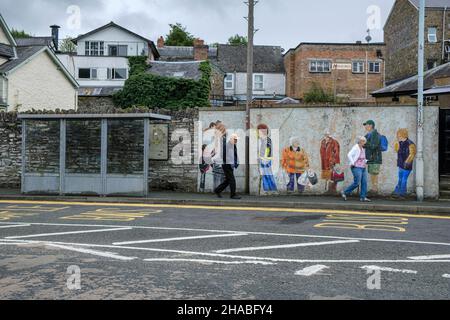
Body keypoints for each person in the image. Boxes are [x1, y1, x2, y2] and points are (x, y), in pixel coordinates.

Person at [342, 136, 371, 202]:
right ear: (360, 141)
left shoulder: (362, 149)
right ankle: (344, 192)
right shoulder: (356, 147)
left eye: (364, 141)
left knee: (364, 182)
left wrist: (366, 161)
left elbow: (362, 158)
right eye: (363, 141)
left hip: (363, 168)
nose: (364, 143)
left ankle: (363, 197)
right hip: (356, 167)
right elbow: (349, 154)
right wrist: (352, 162)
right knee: (357, 183)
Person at [213, 133, 241, 200]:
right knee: (232, 180)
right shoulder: (227, 146)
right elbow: (223, 155)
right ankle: (233, 195)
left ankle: (217, 190)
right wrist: (229, 162)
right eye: (235, 139)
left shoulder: (233, 145)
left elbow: (234, 155)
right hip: (227, 165)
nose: (236, 141)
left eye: (236, 140)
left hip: (229, 165)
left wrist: (235, 162)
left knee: (228, 180)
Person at [393, 129, 417, 199]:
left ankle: (402, 194)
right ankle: (397, 193)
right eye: (398, 135)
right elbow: (396, 150)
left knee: (404, 179)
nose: (398, 137)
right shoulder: (399, 143)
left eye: (399, 135)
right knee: (400, 179)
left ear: (403, 135)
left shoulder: (410, 144)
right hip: (400, 164)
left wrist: (407, 162)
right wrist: (396, 144)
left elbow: (412, 154)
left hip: (407, 165)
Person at [257, 124, 278, 194]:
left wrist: (264, 159)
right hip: (262, 160)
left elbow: (269, 151)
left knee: (268, 175)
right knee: (264, 176)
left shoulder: (267, 140)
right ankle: (266, 190)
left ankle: (272, 190)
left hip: (266, 160)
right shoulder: (260, 140)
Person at [364, 120, 383, 194]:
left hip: (375, 158)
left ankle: (374, 189)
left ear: (371, 125)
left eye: (366, 125)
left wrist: (365, 143)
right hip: (371, 158)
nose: (365, 126)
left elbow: (373, 145)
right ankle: (373, 189)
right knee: (372, 173)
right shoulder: (369, 134)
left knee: (374, 174)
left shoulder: (374, 134)